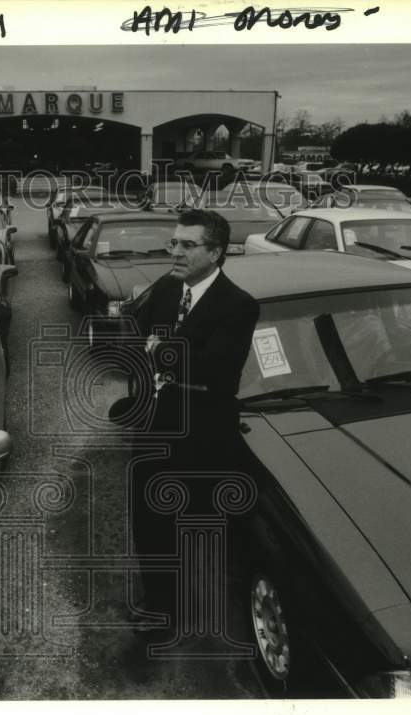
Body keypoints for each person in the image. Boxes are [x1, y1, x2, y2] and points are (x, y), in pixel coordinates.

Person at [127, 208, 260, 640]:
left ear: (215, 252)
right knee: (148, 521)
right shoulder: (167, 287)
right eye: (174, 243)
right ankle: (160, 607)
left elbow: (217, 371)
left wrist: (160, 350)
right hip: (153, 424)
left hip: (201, 432)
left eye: (187, 245)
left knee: (192, 525)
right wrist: (153, 351)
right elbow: (133, 329)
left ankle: (196, 608)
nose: (176, 252)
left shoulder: (238, 305)